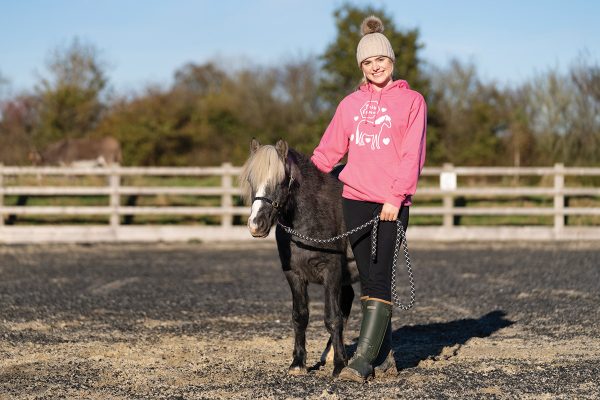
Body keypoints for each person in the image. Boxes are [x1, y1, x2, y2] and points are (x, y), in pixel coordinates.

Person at [310, 15, 427, 382]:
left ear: (392, 61)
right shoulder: (349, 105)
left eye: (382, 60)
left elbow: (413, 154)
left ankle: (361, 360)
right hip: (355, 200)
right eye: (368, 62)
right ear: (361, 67)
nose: (376, 66)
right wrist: (297, 173)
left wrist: (396, 197)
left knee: (378, 278)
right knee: (367, 277)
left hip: (390, 203)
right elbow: (327, 152)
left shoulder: (412, 101)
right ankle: (386, 356)